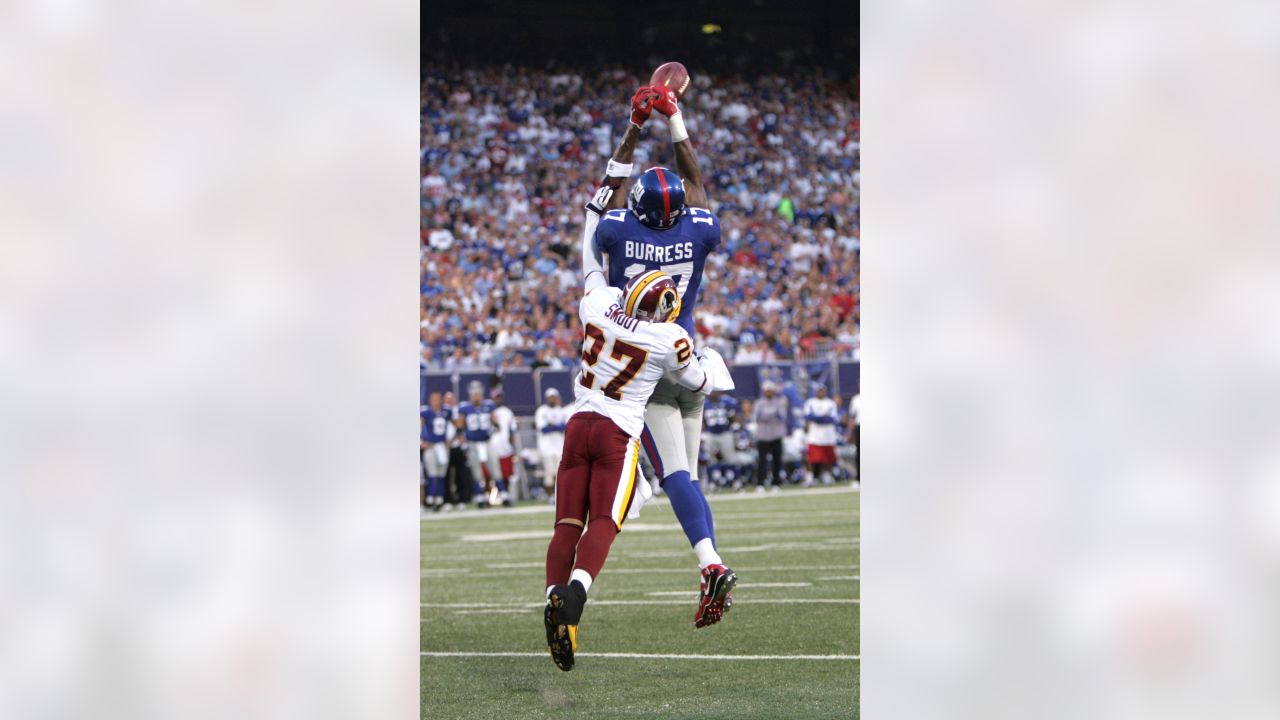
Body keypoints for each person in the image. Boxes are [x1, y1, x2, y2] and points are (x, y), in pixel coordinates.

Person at [543, 199, 731, 672]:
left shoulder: (599, 304)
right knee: (606, 521)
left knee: (567, 524)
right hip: (617, 434)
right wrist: (712, 365)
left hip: (577, 425)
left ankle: (553, 597)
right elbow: (698, 383)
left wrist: (591, 211)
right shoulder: (667, 339)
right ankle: (577, 597)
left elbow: (590, 263)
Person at [582, 83, 735, 627]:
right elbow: (693, 180)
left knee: (673, 474)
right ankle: (705, 555)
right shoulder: (698, 231)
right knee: (684, 476)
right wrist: (676, 120)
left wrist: (634, 127)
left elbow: (609, 190)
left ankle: (710, 563)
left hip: (646, 361)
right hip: (687, 354)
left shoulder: (619, 231)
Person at [455, 381, 504, 508]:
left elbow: (495, 423)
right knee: (476, 472)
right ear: (470, 395)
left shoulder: (489, 405)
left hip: (487, 442)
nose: (476, 396)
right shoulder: (464, 408)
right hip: (472, 443)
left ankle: (504, 495)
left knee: (495, 469)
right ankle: (480, 497)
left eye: (478, 394)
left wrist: (495, 428)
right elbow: (460, 426)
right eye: (474, 394)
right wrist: (461, 438)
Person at [534, 388, 570, 502]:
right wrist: (556, 426)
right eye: (550, 397)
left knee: (559, 473)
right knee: (549, 473)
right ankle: (550, 496)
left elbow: (564, 427)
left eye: (554, 397)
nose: (552, 399)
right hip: (546, 447)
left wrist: (552, 425)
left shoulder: (562, 411)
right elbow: (543, 429)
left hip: (559, 446)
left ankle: (558, 496)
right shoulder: (542, 411)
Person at [752, 381, 788, 492]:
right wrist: (772, 415)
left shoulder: (779, 402)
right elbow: (757, 417)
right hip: (763, 435)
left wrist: (767, 416)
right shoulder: (759, 403)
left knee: (777, 460)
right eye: (767, 390)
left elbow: (782, 416)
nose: (769, 392)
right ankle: (760, 484)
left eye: (770, 390)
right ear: (764, 391)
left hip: (776, 434)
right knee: (762, 461)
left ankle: (776, 484)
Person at [420, 392, 452, 512]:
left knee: (441, 475)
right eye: (434, 399)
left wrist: (451, 439)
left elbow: (455, 425)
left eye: (438, 399)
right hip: (431, 446)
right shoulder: (425, 412)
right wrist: (420, 441)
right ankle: (430, 500)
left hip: (442, 447)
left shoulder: (447, 411)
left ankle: (439, 500)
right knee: (432, 474)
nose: (436, 401)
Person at [803, 383, 840, 486]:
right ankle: (810, 477)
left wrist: (818, 418)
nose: (821, 392)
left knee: (828, 458)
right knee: (811, 458)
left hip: (828, 436)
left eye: (822, 390)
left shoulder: (830, 403)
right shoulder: (810, 402)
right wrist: (822, 418)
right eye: (819, 390)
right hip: (814, 435)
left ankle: (827, 476)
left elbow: (833, 419)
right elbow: (808, 416)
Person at [702, 391, 740, 490]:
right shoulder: (704, 404)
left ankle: (735, 481)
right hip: (711, 433)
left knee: (730, 458)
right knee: (710, 460)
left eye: (716, 391)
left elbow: (732, 417)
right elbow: (702, 420)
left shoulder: (726, 402)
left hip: (725, 433)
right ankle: (712, 482)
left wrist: (732, 429)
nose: (714, 394)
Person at [488, 388, 517, 506]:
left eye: (499, 397)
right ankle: (489, 497)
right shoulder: (486, 410)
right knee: (490, 474)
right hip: (490, 447)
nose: (497, 399)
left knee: (506, 474)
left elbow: (512, 430)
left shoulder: (507, 412)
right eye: (495, 397)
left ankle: (506, 495)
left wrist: (512, 445)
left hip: (505, 447)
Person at [442, 391, 470, 510]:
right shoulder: (441, 413)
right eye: (447, 400)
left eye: (451, 400)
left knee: (461, 474)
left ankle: (462, 499)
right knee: (446, 474)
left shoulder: (460, 411)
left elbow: (461, 426)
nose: (449, 402)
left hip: (458, 446)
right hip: (444, 447)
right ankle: (447, 499)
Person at [846, 392, 860, 483]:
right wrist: (850, 433)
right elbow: (852, 417)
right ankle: (859, 478)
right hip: (860, 427)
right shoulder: (856, 399)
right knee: (859, 453)